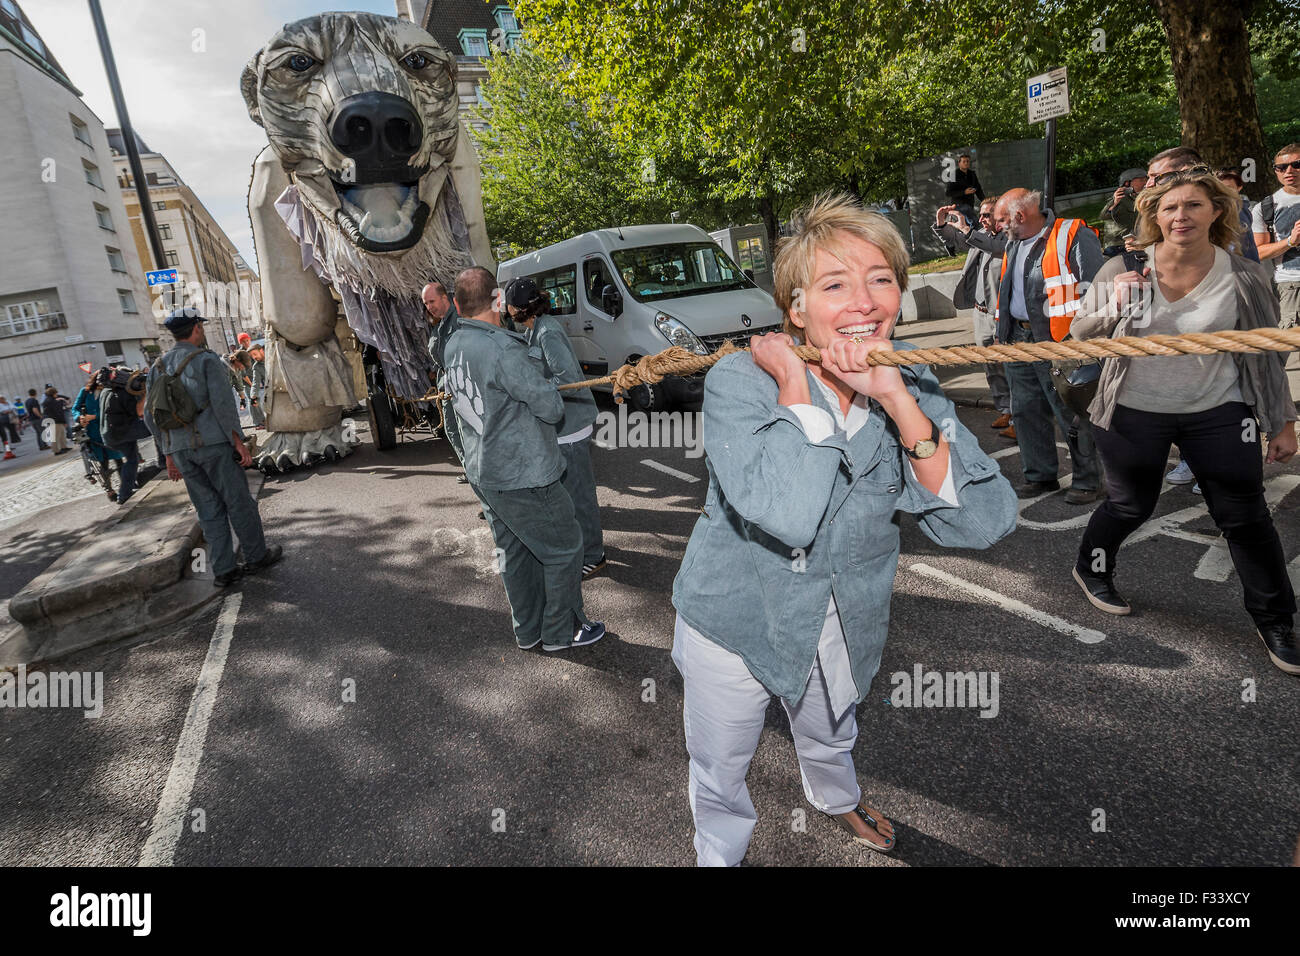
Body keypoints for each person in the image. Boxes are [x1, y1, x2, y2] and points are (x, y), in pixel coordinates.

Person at [671, 193, 1017, 866]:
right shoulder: (742, 382)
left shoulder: (910, 379)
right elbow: (791, 513)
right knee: (720, 763)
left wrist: (896, 400)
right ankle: (719, 853)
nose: (864, 301)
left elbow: (981, 522)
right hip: (734, 619)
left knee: (832, 733)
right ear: (797, 310)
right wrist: (798, 391)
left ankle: (835, 798)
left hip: (841, 619)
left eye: (881, 278)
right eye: (835, 284)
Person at [1070, 169, 1298, 675]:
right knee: (1130, 505)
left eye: (1194, 206)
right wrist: (1113, 304)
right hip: (1132, 409)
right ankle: (1092, 566)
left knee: (1245, 516)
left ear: (1217, 212)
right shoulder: (1122, 267)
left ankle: (1276, 621)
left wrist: (1282, 420)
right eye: (1170, 207)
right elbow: (1078, 333)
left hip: (1219, 411)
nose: (1181, 216)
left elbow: (1266, 356)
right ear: (1154, 214)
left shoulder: (1243, 274)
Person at [442, 266, 605, 652]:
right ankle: (561, 631)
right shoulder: (503, 350)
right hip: (524, 473)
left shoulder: (452, 345)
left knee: (515, 553)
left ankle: (529, 630)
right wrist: (543, 381)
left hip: (485, 471)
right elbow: (550, 407)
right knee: (565, 547)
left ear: (455, 304)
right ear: (498, 301)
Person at [145, 308, 282, 587]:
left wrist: (168, 453)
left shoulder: (157, 367)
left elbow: (150, 416)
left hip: (182, 451)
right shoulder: (206, 360)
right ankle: (256, 556)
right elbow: (223, 406)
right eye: (202, 327)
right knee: (238, 502)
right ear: (196, 328)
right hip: (214, 445)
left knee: (207, 509)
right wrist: (239, 443)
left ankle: (224, 570)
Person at [992, 187, 1104, 503]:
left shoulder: (1072, 234)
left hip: (1060, 343)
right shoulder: (1012, 244)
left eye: (1001, 220)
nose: (997, 227)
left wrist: (1083, 340)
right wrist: (1003, 332)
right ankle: (1040, 476)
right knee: (1026, 411)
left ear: (1019, 215)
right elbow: (1007, 292)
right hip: (1018, 341)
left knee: (1071, 411)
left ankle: (1087, 481)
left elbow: (1095, 289)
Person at [504, 276, 607, 578]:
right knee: (570, 494)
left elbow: (570, 382)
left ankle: (595, 554)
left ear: (522, 308)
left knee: (581, 494)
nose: (508, 313)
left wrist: (534, 387)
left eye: (510, 308)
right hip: (561, 426)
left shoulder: (547, 332)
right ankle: (583, 547)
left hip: (571, 426)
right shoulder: (535, 329)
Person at [937, 196, 1014, 435]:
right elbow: (958, 241)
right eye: (981, 214)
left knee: (1009, 366)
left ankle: (1018, 418)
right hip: (980, 313)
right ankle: (1005, 410)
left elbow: (993, 247)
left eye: (987, 214)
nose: (982, 219)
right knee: (990, 366)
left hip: (1002, 314)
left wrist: (968, 229)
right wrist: (942, 224)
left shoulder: (1009, 238)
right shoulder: (980, 235)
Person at [1143, 147, 1258, 262]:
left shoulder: (1228, 206)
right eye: (1170, 208)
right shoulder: (1150, 208)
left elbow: (1248, 262)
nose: (1148, 184)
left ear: (1186, 171)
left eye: (1156, 176)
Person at [1251, 143, 1300, 352]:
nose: (1289, 171)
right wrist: (1290, 241)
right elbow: (1258, 252)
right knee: (1289, 352)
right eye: (1282, 167)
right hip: (1291, 284)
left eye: (1296, 164)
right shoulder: (1265, 207)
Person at [421, 280, 465, 473]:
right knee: (454, 431)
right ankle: (471, 471)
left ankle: (475, 472)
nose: (429, 307)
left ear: (444, 298)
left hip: (461, 388)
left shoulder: (457, 320)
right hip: (448, 387)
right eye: (425, 304)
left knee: (461, 432)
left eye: (432, 301)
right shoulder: (441, 324)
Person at [98, 366, 148, 505]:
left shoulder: (105, 391)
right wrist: (145, 394)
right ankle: (164, 461)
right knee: (155, 428)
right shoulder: (120, 393)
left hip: (110, 434)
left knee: (131, 459)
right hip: (121, 433)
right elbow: (139, 412)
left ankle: (124, 494)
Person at [71, 372, 123, 496]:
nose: (102, 385)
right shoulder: (85, 391)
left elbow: (114, 410)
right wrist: (80, 417)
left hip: (109, 430)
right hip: (93, 433)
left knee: (118, 460)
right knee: (102, 462)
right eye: (100, 382)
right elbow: (75, 408)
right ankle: (109, 490)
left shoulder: (110, 391)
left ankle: (126, 487)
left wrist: (94, 416)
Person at [1100, 167, 1147, 256]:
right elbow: (1103, 216)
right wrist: (1114, 203)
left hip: (1135, 242)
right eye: (1141, 180)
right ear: (1127, 183)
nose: (1145, 183)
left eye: (1146, 180)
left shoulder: (1140, 198)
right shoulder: (1119, 198)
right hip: (1117, 245)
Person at [42, 386, 70, 455]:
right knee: (56, 436)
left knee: (60, 435)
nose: (57, 394)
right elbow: (58, 412)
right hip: (56, 421)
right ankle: (56, 451)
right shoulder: (53, 401)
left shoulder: (46, 401)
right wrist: (64, 421)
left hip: (51, 420)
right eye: (56, 393)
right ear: (53, 393)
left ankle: (63, 447)